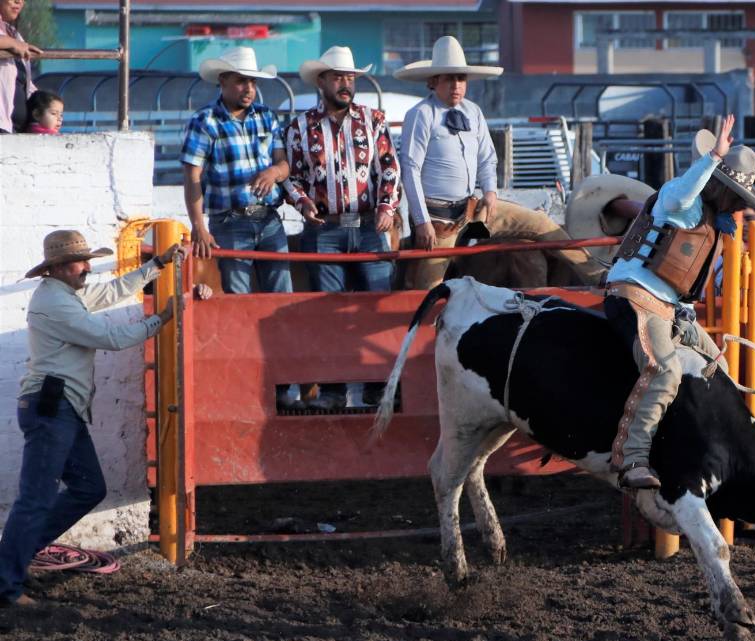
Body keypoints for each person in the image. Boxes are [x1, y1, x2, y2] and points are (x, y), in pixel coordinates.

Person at [0, 231, 183, 607]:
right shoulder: (58, 302)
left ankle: (13, 560)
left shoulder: (62, 295)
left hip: (59, 406)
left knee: (86, 489)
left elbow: (110, 293)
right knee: (37, 498)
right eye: (81, 262)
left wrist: (157, 265)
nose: (87, 267)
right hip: (55, 406)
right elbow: (109, 337)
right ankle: (6, 583)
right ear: (59, 268)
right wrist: (160, 320)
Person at [605, 115, 755, 489]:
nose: (735, 203)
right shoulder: (679, 199)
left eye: (740, 197)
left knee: (719, 365)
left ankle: (711, 445)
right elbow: (684, 193)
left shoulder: (710, 215)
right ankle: (632, 460)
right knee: (664, 371)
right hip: (634, 295)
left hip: (667, 306)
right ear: (716, 182)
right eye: (733, 193)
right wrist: (713, 157)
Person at [394, 35, 605, 290]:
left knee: (542, 225)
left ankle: (599, 276)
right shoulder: (420, 115)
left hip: (474, 208)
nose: (456, 85)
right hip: (439, 219)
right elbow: (410, 170)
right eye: (449, 78)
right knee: (428, 286)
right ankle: (421, 324)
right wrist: (421, 221)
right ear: (433, 81)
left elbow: (487, 158)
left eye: (461, 78)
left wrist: (491, 192)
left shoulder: (473, 111)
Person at [180, 47, 299, 409]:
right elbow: (192, 176)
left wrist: (273, 173)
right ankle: (248, 386)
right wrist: (198, 225)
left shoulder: (266, 116)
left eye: (252, 81)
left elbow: (283, 165)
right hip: (229, 223)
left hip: (268, 219)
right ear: (224, 82)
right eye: (242, 81)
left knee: (282, 304)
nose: (248, 88)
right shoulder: (205, 121)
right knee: (240, 305)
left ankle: (283, 386)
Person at [283, 46, 399, 410]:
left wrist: (386, 206)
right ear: (323, 82)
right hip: (326, 228)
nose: (346, 84)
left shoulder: (374, 119)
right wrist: (303, 202)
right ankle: (332, 390)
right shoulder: (300, 126)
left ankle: (377, 386)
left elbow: (389, 168)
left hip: (368, 225)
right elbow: (292, 177)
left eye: (350, 78)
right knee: (327, 310)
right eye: (339, 78)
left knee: (376, 308)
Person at [0, 0, 40, 134]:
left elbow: (25, 83)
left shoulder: (14, 34)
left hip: (15, 130)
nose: (19, 2)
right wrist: (11, 43)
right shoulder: (12, 40)